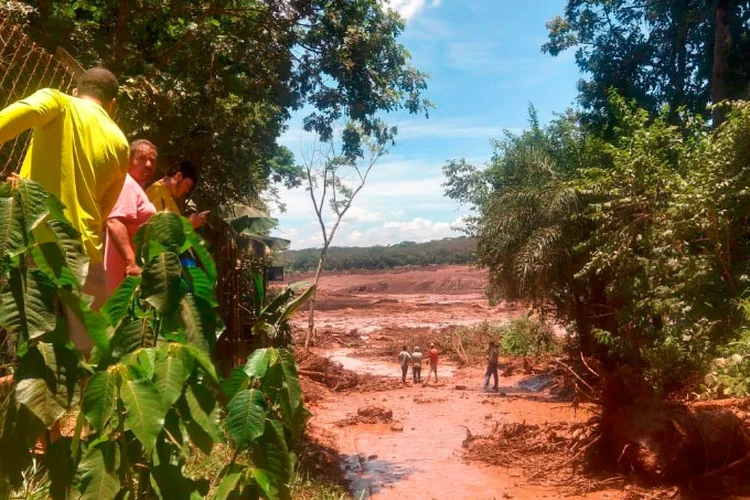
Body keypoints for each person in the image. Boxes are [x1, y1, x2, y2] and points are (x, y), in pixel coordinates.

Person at [0, 67, 129, 351]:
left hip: (39, 250)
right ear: (112, 104)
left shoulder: (58, 102)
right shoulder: (121, 144)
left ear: (76, 91)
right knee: (82, 362)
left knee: (34, 357)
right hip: (87, 258)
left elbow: (4, 124)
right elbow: (103, 210)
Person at [104, 140, 157, 294]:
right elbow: (115, 222)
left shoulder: (136, 188)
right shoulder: (127, 185)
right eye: (142, 159)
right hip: (126, 278)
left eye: (152, 161)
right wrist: (131, 263)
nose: (148, 164)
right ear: (128, 162)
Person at [146, 160, 208, 228]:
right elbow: (158, 229)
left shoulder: (167, 196)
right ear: (179, 176)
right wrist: (189, 223)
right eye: (187, 185)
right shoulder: (156, 191)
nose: (187, 190)